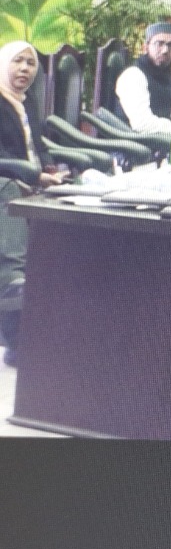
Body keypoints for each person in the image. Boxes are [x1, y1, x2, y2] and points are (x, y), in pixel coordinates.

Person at [0, 41, 64, 368]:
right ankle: (16, 338)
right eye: (17, 61)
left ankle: (39, 337)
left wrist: (51, 168)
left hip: (27, 182)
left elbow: (36, 146)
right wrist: (34, 175)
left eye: (30, 63)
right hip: (7, 184)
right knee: (15, 270)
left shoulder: (25, 102)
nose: (24, 68)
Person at [116, 21, 171, 134]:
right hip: (132, 142)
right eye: (159, 44)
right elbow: (142, 124)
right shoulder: (133, 75)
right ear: (145, 48)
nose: (165, 50)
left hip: (161, 139)